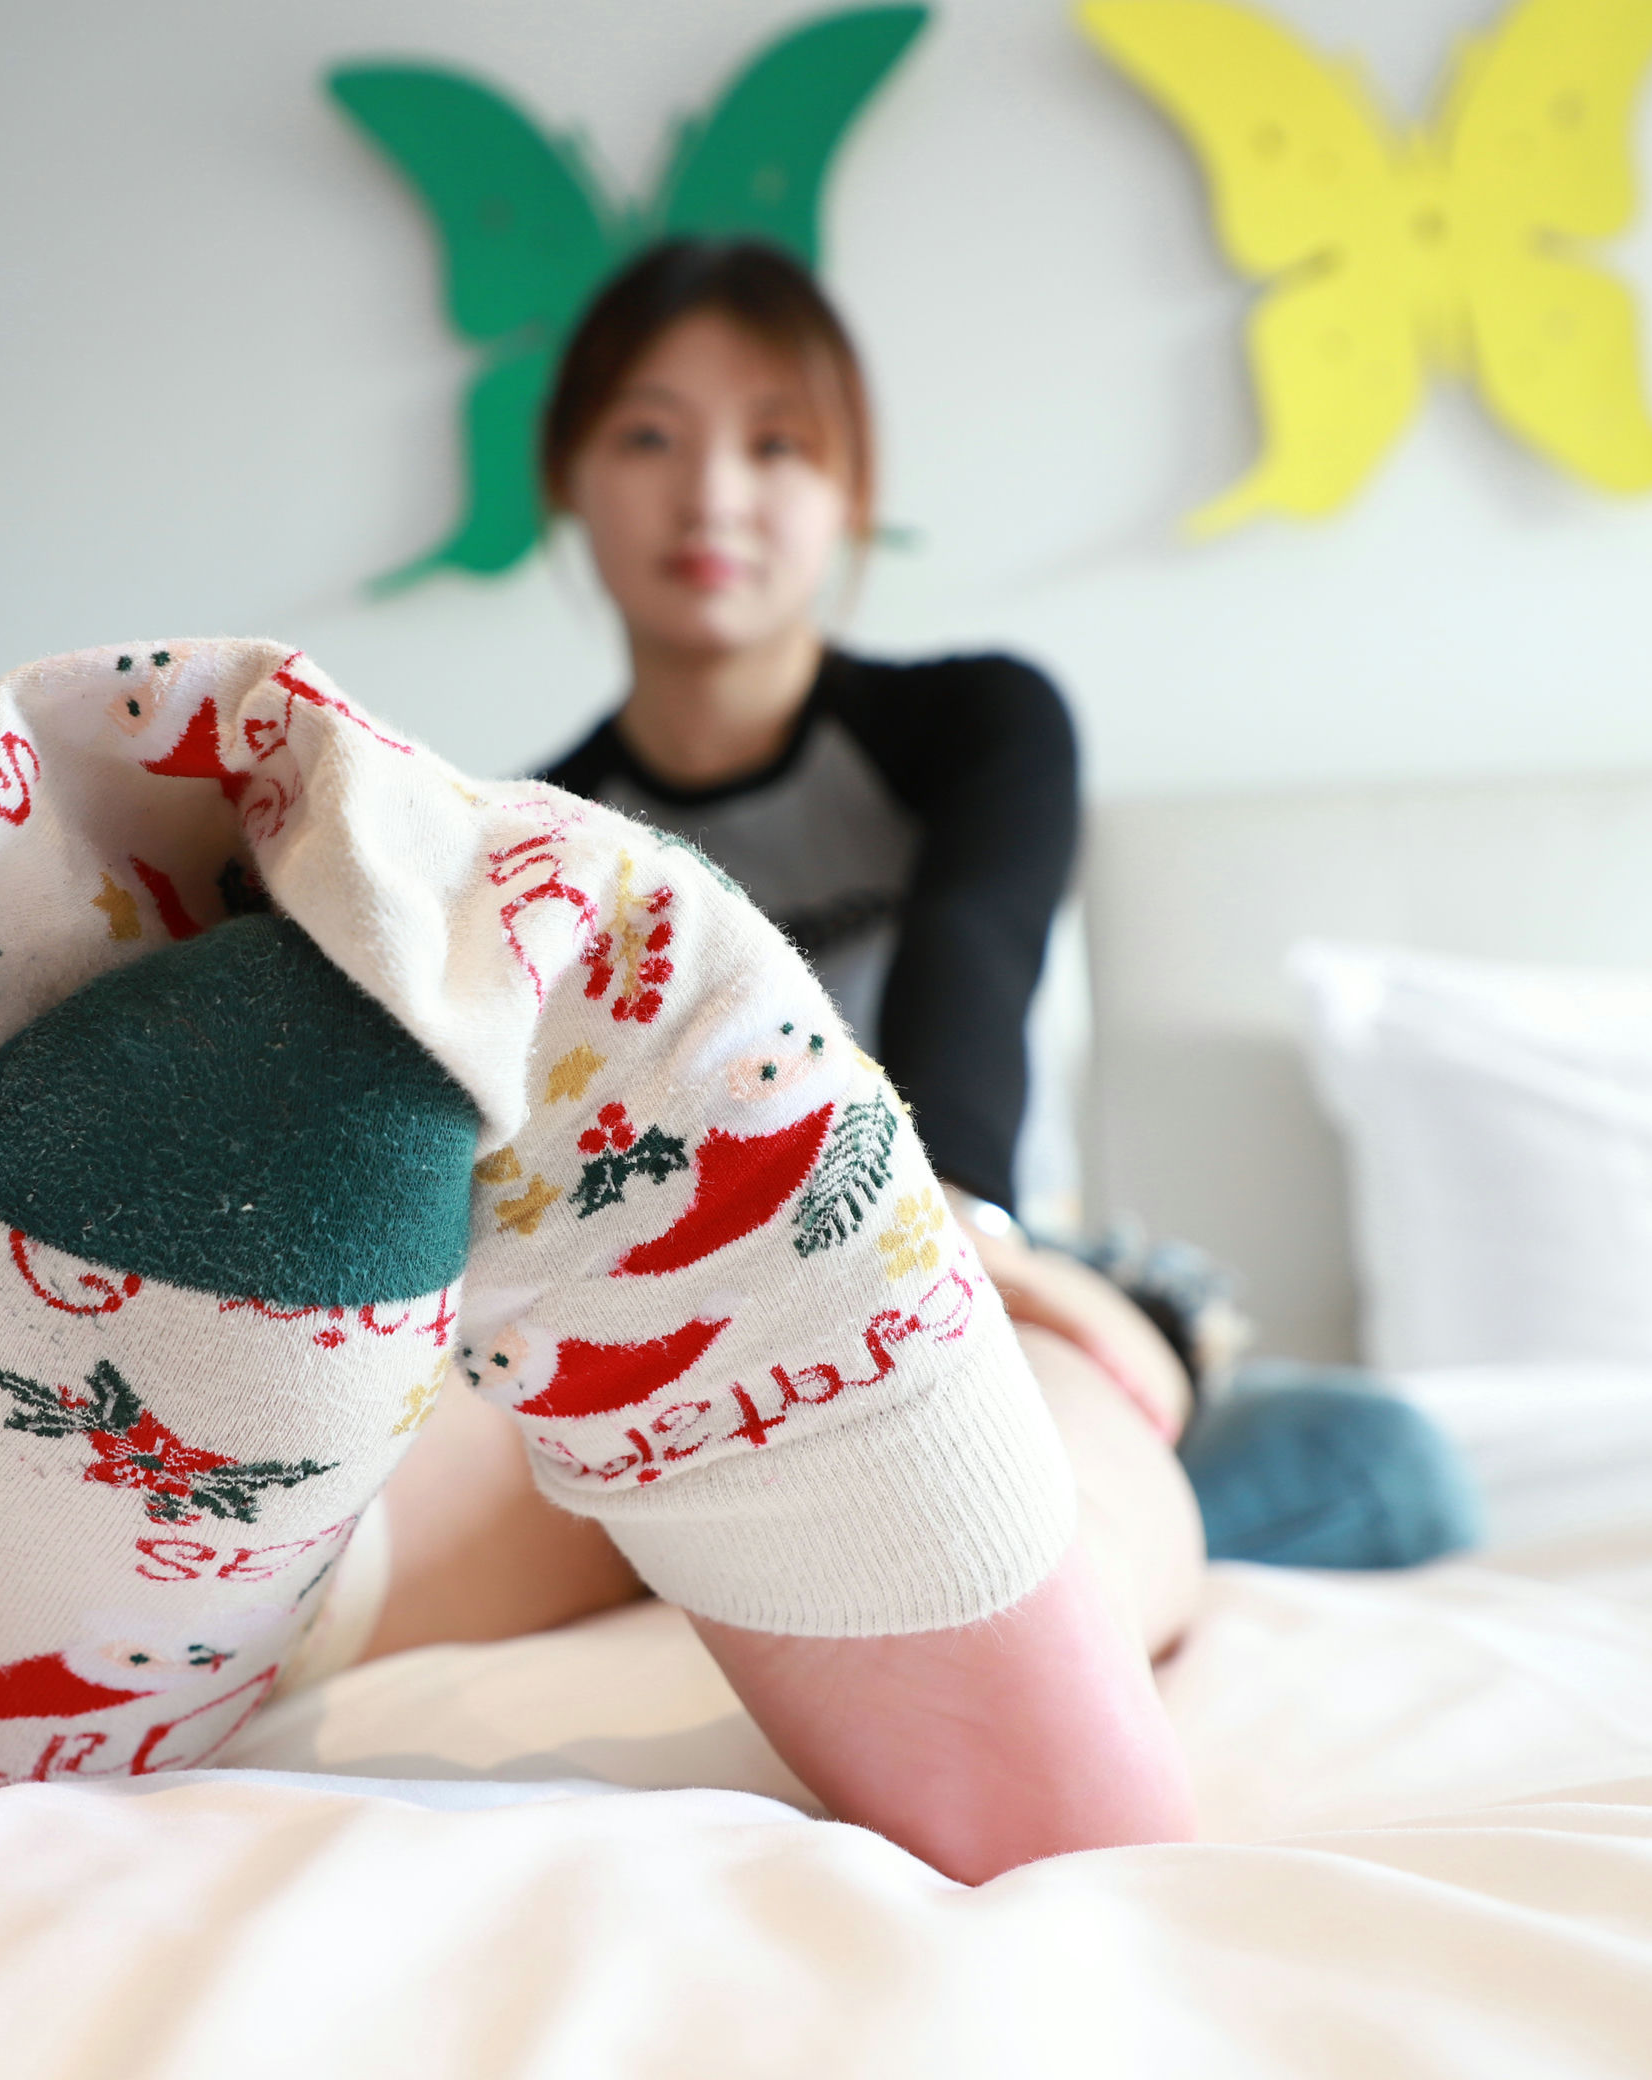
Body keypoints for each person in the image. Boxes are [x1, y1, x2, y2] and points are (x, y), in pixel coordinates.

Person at [359, 239, 1477, 1709]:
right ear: (569, 477)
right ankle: (809, 1571)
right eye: (648, 437)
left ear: (852, 495)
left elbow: (975, 958)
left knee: (1382, 1466)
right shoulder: (525, 843)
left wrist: (948, 1241)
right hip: (673, 1350)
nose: (713, 496)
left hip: (980, 1271)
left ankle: (960, 1597)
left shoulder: (979, 727)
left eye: (777, 444)